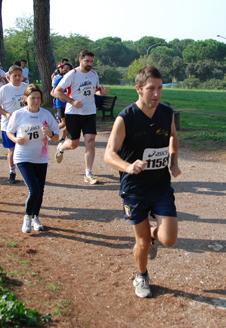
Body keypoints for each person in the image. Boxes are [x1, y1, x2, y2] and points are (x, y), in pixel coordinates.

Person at [103, 65, 181, 298]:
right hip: (135, 189)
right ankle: (141, 275)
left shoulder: (166, 114)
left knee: (169, 239)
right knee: (142, 242)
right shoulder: (126, 118)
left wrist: (174, 162)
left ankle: (152, 237)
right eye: (150, 89)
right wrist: (128, 166)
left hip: (160, 185)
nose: (156, 94)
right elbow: (109, 153)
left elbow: (173, 139)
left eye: (159, 88)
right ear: (138, 89)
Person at [6, 84, 60, 233]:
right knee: (34, 189)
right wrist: (16, 140)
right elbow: (9, 132)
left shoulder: (46, 115)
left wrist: (49, 133)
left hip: (40, 157)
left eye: (38, 98)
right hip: (23, 157)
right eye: (32, 98)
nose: (36, 101)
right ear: (25, 99)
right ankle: (27, 217)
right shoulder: (18, 114)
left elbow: (56, 137)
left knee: (40, 190)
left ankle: (36, 217)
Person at [53, 50, 109, 184]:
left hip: (89, 112)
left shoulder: (94, 74)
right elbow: (57, 92)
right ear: (80, 60)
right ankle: (61, 148)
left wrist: (102, 92)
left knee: (90, 142)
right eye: (87, 61)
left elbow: (95, 90)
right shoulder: (72, 74)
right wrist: (72, 101)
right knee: (73, 144)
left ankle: (88, 173)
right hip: (73, 112)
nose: (89, 64)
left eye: (91, 61)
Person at [0, 65, 28, 184]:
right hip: (8, 125)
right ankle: (12, 171)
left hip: (24, 125)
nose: (17, 78)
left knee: (25, 149)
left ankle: (26, 172)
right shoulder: (4, 89)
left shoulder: (26, 88)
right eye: (15, 76)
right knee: (12, 150)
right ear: (9, 77)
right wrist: (6, 114)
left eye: (19, 75)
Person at [51, 62, 72, 142]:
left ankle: (63, 138)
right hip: (60, 104)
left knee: (69, 122)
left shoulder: (73, 80)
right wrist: (59, 96)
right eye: (64, 69)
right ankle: (50, 131)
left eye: (67, 69)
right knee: (63, 123)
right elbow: (52, 92)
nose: (65, 70)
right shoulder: (59, 80)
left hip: (70, 104)